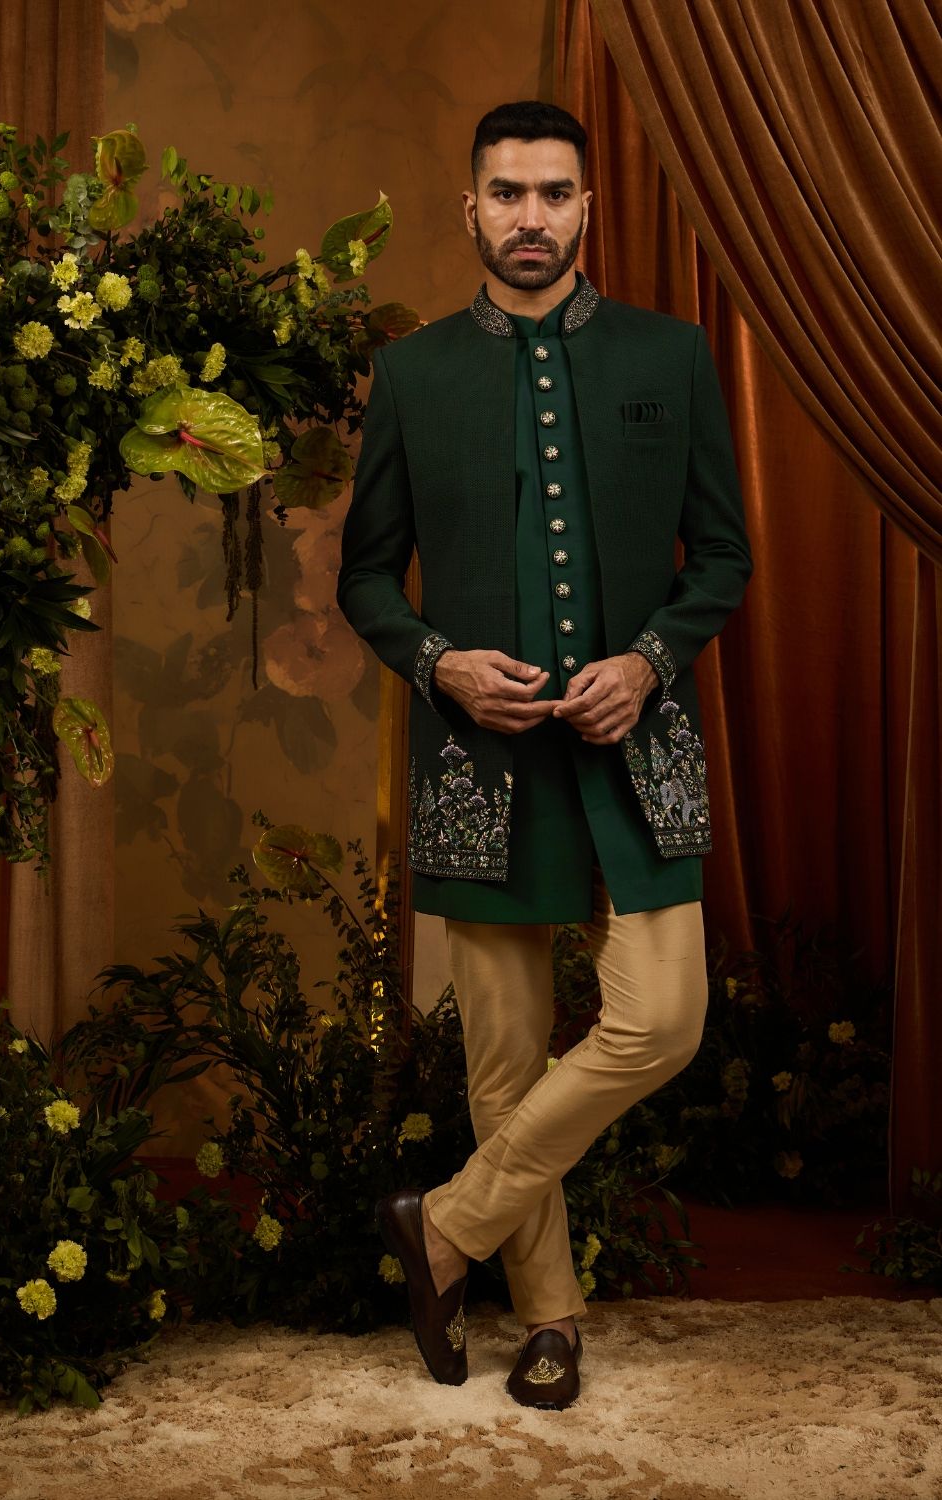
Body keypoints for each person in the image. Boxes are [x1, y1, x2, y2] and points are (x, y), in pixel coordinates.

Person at [336, 99, 753, 1410]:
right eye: (508, 193)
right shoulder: (413, 375)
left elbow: (723, 556)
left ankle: (446, 1225)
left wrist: (650, 661)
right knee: (505, 1065)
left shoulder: (671, 353)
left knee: (664, 1020)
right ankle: (550, 1321)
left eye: (554, 193)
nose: (531, 217)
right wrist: (439, 663)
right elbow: (366, 578)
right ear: (470, 208)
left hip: (638, 747)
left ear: (587, 208)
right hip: (481, 758)